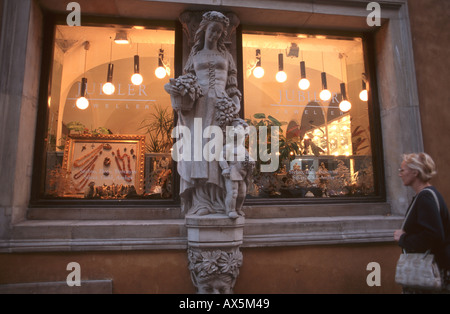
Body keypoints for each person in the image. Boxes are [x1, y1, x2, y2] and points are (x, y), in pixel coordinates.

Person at [164, 11, 241, 215]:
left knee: (218, 153)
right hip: (198, 106)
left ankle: (219, 202)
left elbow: (233, 87)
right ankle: (201, 203)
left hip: (221, 106)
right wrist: (173, 88)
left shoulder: (226, 56)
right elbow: (185, 82)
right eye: (213, 30)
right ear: (204, 29)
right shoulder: (194, 56)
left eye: (219, 32)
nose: (215, 35)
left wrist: (235, 105)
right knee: (199, 151)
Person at [394, 152, 450, 293]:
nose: (400, 174)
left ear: (415, 172)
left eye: (402, 170)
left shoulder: (425, 198)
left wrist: (403, 238)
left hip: (429, 274)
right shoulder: (428, 195)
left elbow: (433, 235)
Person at [219, 118, 255, 219]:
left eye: (238, 128)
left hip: (242, 173)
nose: (235, 130)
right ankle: (231, 210)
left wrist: (251, 162)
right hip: (232, 172)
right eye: (234, 129)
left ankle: (238, 208)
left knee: (242, 193)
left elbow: (248, 159)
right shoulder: (229, 146)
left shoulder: (243, 149)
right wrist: (225, 168)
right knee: (233, 192)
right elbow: (221, 157)